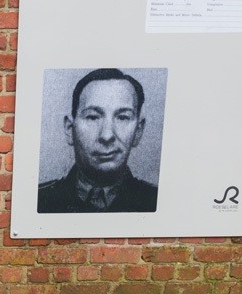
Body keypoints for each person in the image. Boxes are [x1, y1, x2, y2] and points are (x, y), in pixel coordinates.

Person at [37, 68, 158, 214]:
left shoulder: (155, 202)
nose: (107, 136)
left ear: (138, 131)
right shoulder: (40, 201)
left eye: (122, 117)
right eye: (93, 117)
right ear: (70, 129)